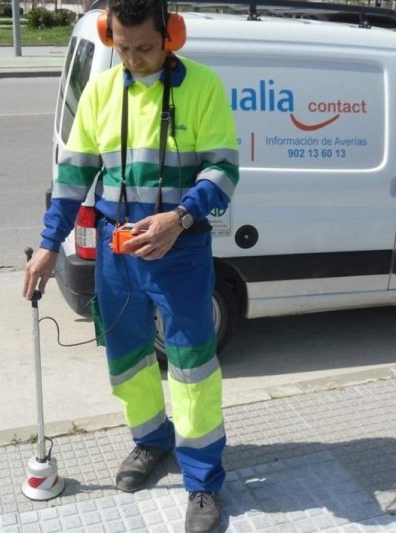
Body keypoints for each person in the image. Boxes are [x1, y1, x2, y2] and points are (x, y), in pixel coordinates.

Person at [22, 1, 238, 531]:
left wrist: (179, 219)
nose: (134, 59)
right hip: (116, 252)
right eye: (123, 48)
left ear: (170, 35)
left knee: (191, 365)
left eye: (145, 47)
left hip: (180, 251)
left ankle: (203, 481)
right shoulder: (101, 91)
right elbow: (72, 178)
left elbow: (223, 171)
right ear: (109, 36)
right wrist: (49, 245)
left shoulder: (203, 86)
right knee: (127, 356)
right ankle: (151, 440)